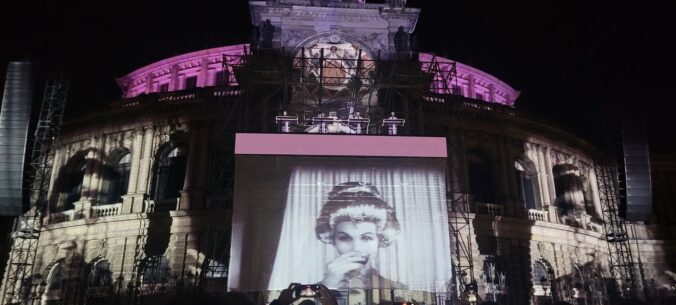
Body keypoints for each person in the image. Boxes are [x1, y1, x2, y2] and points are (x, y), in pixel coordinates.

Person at [315, 182, 405, 289]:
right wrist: (327, 287)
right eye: (345, 238)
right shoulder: (314, 292)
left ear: (379, 240)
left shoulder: (397, 290)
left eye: (366, 238)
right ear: (333, 240)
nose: (356, 248)